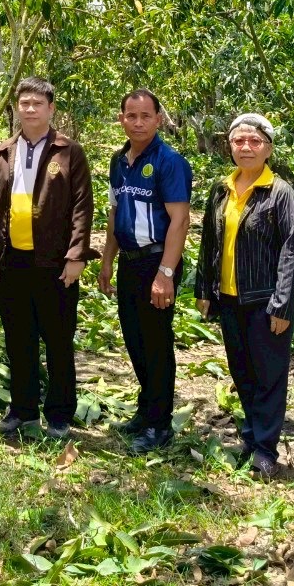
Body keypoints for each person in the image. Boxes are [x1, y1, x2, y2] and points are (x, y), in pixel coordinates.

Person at [0, 77, 94, 441]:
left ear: (51, 108)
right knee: (18, 339)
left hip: (54, 262)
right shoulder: (1, 153)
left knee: (58, 339)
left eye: (37, 103)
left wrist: (76, 255)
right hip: (12, 262)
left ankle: (59, 413)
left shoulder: (68, 152)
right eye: (23, 103)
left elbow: (82, 207)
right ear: (16, 107)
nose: (29, 109)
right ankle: (22, 409)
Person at [195, 113, 294, 478]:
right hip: (228, 299)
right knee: (242, 372)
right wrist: (204, 288)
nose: (246, 147)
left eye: (254, 141)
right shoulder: (221, 188)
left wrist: (283, 303)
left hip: (265, 300)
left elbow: (292, 249)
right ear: (230, 146)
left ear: (268, 148)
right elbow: (209, 240)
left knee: (268, 376)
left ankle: (265, 449)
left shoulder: (280, 192)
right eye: (239, 141)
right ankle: (251, 437)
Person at [99, 88, 193, 454]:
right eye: (131, 116)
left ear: (158, 119)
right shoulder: (118, 161)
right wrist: (108, 259)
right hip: (129, 261)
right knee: (135, 338)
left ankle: (160, 423)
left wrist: (166, 273)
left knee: (156, 343)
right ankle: (145, 409)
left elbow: (180, 221)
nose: (138, 123)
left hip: (157, 262)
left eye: (145, 116)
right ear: (121, 119)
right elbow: (113, 212)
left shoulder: (170, 161)